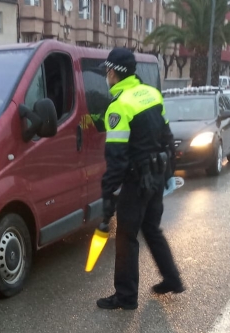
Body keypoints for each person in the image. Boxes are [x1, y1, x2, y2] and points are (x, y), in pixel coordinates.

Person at [97, 48, 184, 310]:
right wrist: (169, 171)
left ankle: (125, 297)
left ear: (113, 72)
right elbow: (167, 136)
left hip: (136, 181)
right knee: (151, 229)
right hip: (156, 175)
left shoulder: (119, 106)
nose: (106, 75)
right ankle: (172, 279)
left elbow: (117, 159)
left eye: (107, 71)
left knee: (125, 236)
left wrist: (108, 196)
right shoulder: (152, 94)